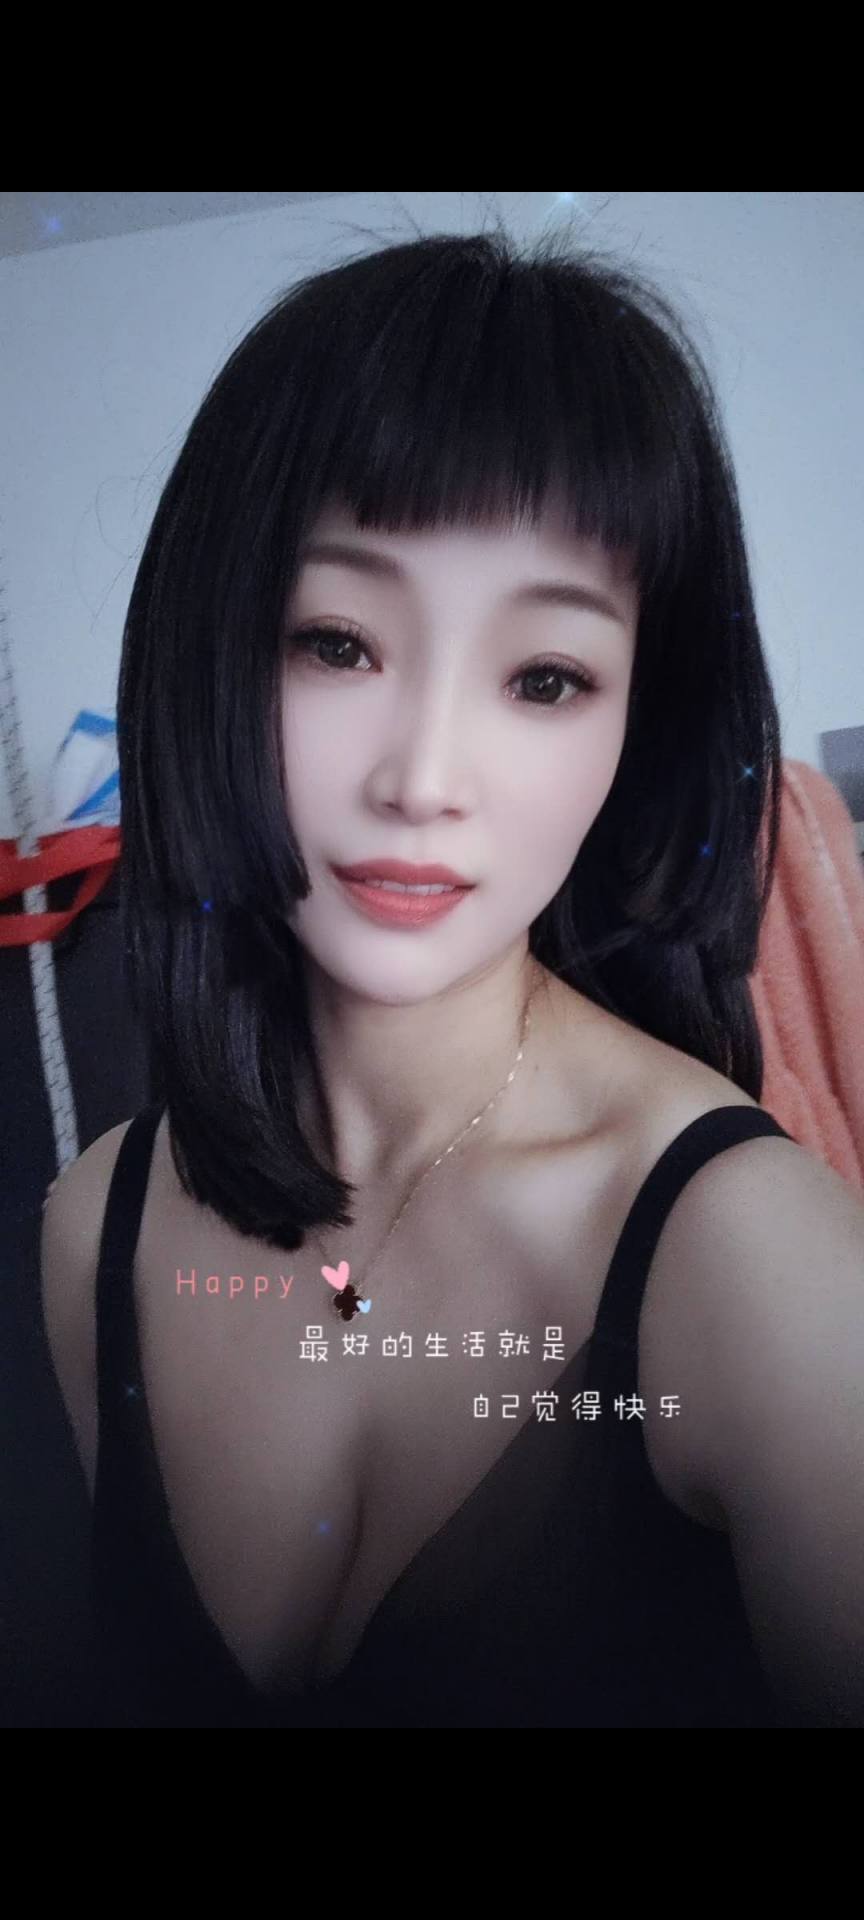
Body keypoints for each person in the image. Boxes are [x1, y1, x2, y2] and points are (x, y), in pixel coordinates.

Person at [40, 222, 864, 1728]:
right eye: (337, 643)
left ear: (638, 721)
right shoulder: (94, 1231)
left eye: (546, 677)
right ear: (212, 649)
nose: (423, 779)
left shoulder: (759, 1271)